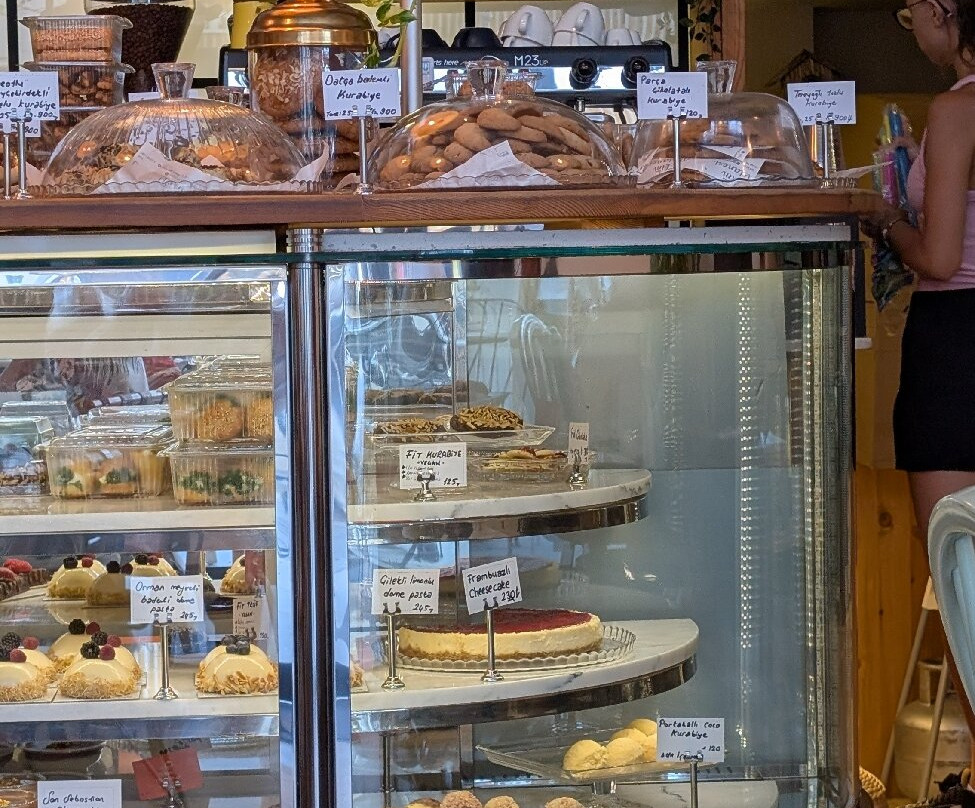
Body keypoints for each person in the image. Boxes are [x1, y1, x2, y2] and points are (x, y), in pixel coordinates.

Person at [866, 0, 975, 799]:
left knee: (962, 580)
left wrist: (884, 220)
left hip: (958, 347)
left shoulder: (956, 109)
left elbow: (937, 258)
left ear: (945, 10)